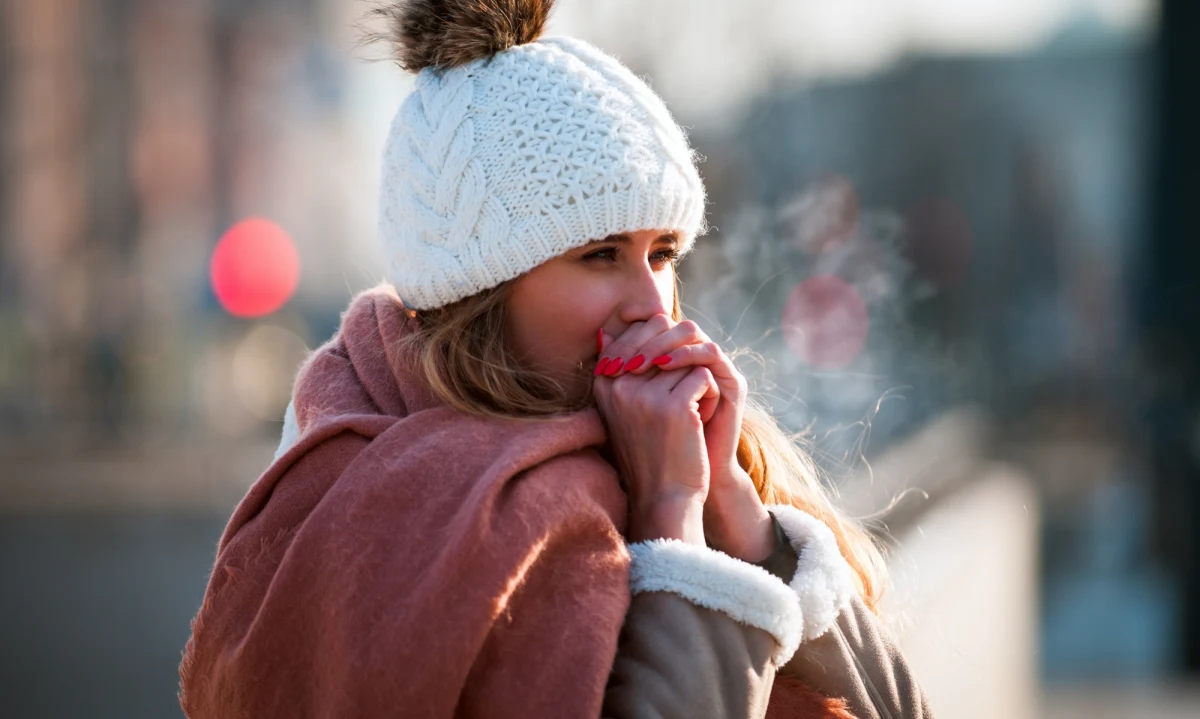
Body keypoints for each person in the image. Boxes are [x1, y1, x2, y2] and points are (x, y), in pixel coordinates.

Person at [179, 1, 933, 717]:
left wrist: (739, 516)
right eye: (600, 255)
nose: (652, 303)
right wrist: (672, 521)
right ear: (480, 294)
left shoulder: (700, 453)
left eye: (662, 252)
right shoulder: (382, 490)